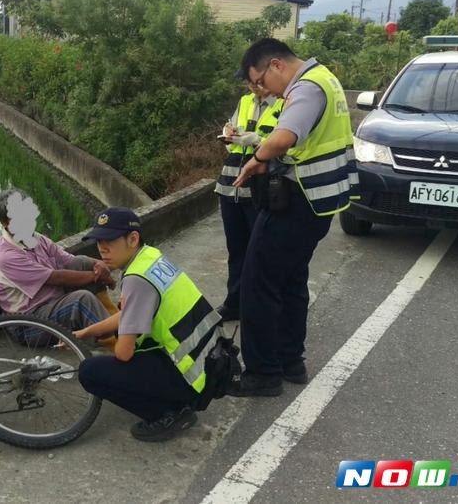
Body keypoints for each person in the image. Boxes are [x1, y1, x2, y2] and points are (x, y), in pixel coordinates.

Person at [229, 38, 358, 397]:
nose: (261, 90)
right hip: (318, 201)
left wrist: (259, 157)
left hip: (299, 200)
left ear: (276, 65)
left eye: (261, 81)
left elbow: (284, 137)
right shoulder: (325, 78)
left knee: (257, 282)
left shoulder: (307, 87)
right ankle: (290, 361)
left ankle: (262, 373)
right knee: (290, 280)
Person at [74, 208, 222, 442]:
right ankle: (174, 399)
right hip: (211, 361)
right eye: (99, 242)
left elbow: (123, 353)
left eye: (109, 241)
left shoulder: (136, 279)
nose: (102, 249)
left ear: (132, 239)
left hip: (192, 378)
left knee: (90, 372)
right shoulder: (150, 258)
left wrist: (105, 341)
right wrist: (86, 332)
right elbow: (128, 314)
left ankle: (169, 414)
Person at [0, 188, 118, 332]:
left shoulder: (34, 237)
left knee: (82, 262)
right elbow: (56, 277)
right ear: (5, 222)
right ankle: (116, 339)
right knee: (81, 300)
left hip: (53, 303)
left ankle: (113, 318)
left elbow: (67, 259)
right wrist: (97, 276)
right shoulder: (6, 255)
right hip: (29, 322)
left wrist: (98, 264)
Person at [214, 71, 283, 323]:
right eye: (247, 82)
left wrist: (257, 141)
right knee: (237, 249)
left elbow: (283, 143)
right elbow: (232, 138)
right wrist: (229, 132)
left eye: (255, 81)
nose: (251, 86)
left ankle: (259, 307)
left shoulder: (284, 104)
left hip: (261, 185)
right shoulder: (244, 102)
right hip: (231, 184)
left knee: (261, 251)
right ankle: (234, 303)